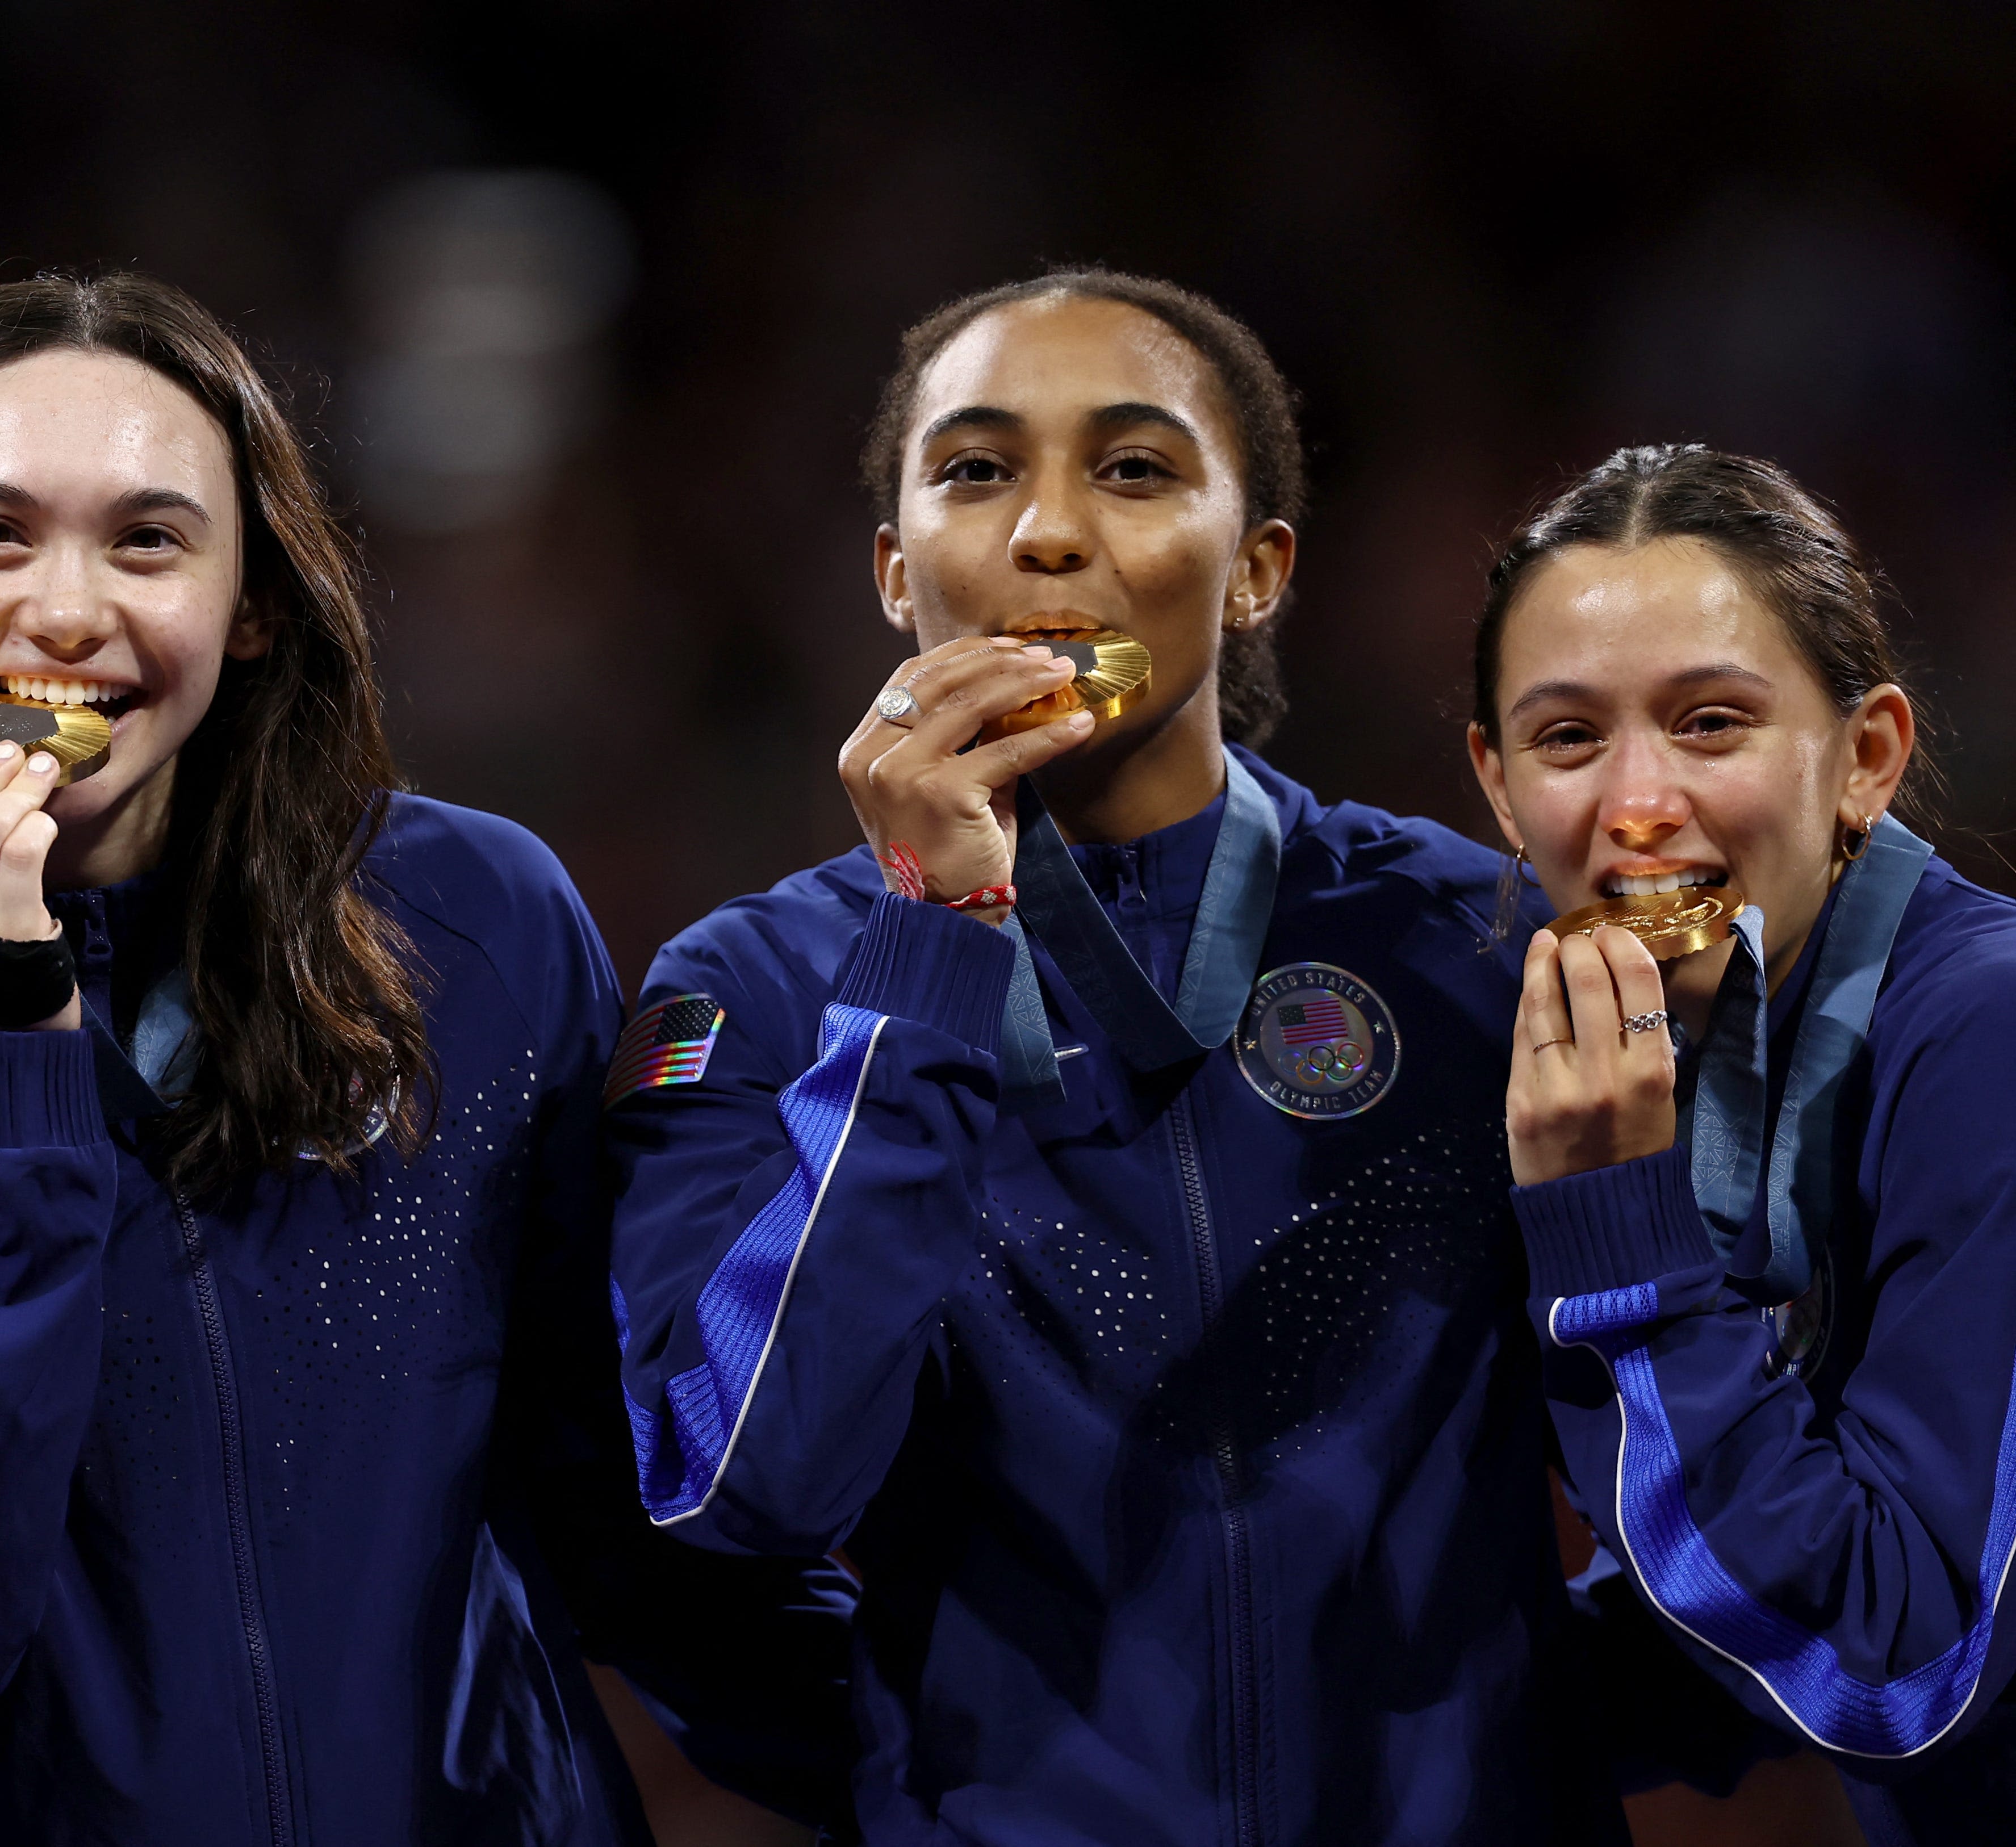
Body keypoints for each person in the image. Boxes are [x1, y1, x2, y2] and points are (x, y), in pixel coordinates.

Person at [0, 273, 850, 1843]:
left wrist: (963, 1773)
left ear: (255, 598)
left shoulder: (477, 921)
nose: (67, 610)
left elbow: (622, 1506)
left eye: (148, 539)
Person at [607, 268, 1629, 1843]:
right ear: (895, 573)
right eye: (975, 470)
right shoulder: (762, 985)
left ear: (1259, 571)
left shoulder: (1475, 942)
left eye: (1137, 469)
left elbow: (1674, 1432)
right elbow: (750, 1477)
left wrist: (1531, 1747)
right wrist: (931, 940)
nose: (1050, 534)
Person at [1471, 444, 2016, 1843]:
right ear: (1495, 784)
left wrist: (1620, 1252)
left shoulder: (1984, 1030)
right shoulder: (1692, 1036)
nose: (1637, 803)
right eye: (1569, 738)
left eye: (1710, 723)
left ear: (1865, 758)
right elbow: (1731, 1648)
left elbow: (1898, 1673)